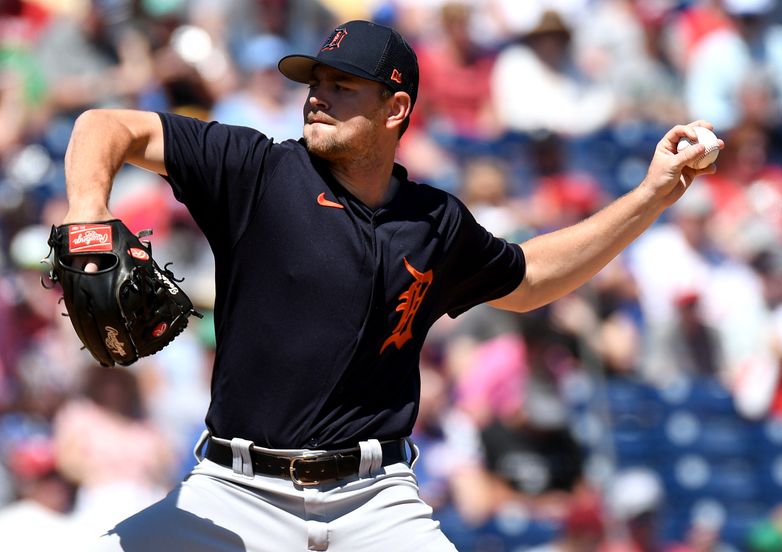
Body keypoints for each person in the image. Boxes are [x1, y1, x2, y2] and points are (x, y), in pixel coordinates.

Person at [57, 18, 721, 552]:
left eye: (343, 84)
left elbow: (529, 278)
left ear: (396, 107)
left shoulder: (435, 221)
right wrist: (88, 221)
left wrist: (653, 193)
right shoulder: (255, 171)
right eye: (314, 80)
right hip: (234, 492)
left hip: (374, 502)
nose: (318, 94)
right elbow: (105, 127)